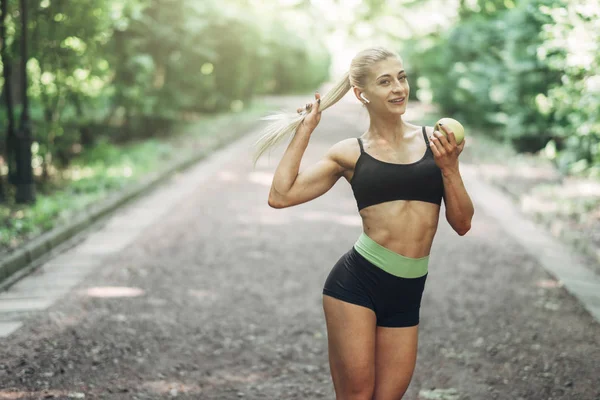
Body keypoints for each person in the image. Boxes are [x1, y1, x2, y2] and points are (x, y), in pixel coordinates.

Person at [253, 47, 475, 400]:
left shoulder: (435, 141)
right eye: (384, 82)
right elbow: (281, 196)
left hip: (408, 291)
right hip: (356, 284)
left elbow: (462, 223)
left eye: (401, 77)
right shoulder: (350, 152)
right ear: (361, 94)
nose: (398, 88)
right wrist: (305, 131)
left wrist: (449, 168)